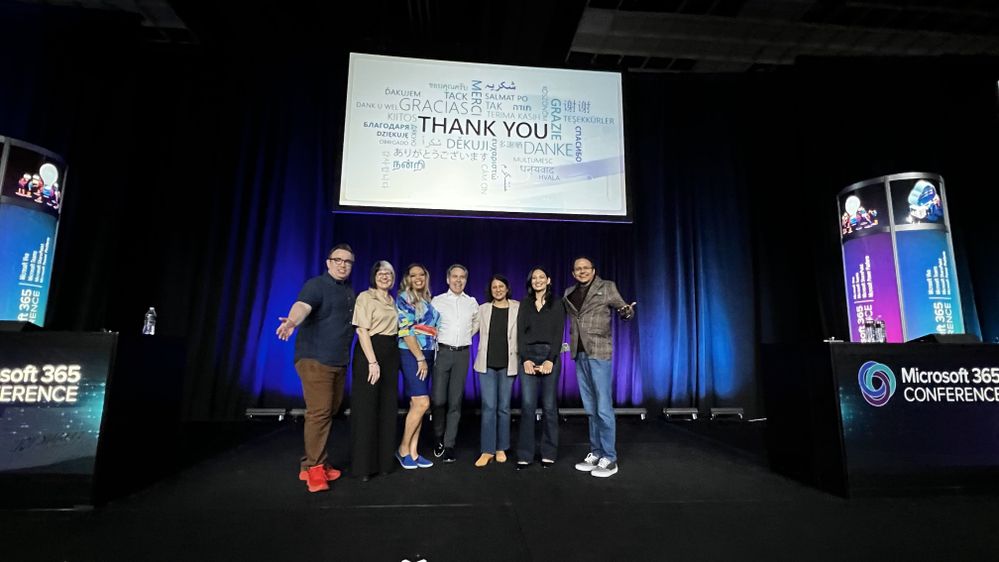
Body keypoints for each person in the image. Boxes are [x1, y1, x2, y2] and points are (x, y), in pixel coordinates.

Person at [275, 244, 356, 493]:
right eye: (338, 260)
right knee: (319, 413)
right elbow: (302, 306)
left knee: (327, 411)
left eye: (348, 262)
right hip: (314, 359)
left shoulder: (348, 291)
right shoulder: (316, 285)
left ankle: (309, 463)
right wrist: (292, 321)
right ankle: (315, 469)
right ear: (328, 262)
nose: (343, 265)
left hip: (337, 361)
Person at [564, 256, 636, 478]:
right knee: (590, 407)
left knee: (603, 407)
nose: (582, 271)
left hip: (599, 352)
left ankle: (610, 458)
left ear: (593, 270)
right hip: (579, 353)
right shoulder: (568, 293)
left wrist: (626, 311)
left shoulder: (607, 287)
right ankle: (596, 452)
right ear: (574, 273)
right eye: (578, 269)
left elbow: (624, 309)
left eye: (586, 268)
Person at [350, 260, 402, 481]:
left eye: (389, 273)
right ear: (374, 275)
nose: (385, 276)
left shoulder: (394, 300)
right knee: (367, 408)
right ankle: (363, 467)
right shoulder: (365, 297)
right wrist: (373, 362)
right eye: (381, 272)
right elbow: (362, 331)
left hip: (391, 353)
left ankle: (384, 463)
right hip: (370, 352)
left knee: (388, 408)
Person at [515, 267, 565, 470]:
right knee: (527, 406)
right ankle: (525, 454)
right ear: (530, 281)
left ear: (548, 280)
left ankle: (549, 453)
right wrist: (525, 359)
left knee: (549, 407)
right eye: (534, 277)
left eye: (541, 277)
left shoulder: (557, 303)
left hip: (549, 356)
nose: (537, 280)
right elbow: (520, 332)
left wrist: (550, 360)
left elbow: (558, 333)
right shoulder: (525, 303)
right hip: (528, 356)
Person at [430, 264, 480, 463]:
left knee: (455, 401)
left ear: (466, 280)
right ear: (447, 279)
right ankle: (438, 437)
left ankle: (449, 444)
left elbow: (476, 322)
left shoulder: (472, 302)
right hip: (442, 352)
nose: (458, 280)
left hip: (462, 354)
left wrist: (467, 336)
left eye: (462, 277)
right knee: (439, 400)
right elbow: (429, 324)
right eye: (455, 277)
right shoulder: (438, 301)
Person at [395, 263, 440, 469]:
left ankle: (413, 452)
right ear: (408, 278)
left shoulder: (427, 298)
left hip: (428, 353)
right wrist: (420, 358)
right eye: (414, 275)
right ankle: (403, 449)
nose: (418, 278)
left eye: (422, 274)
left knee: (417, 406)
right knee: (422, 403)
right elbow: (406, 330)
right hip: (413, 354)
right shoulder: (404, 298)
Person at [471, 275, 520, 467]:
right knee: (489, 407)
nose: (498, 289)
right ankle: (487, 450)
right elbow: (471, 330)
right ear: (490, 290)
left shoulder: (518, 307)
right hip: (487, 365)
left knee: (504, 408)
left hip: (509, 364)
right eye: (494, 287)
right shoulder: (483, 309)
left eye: (501, 286)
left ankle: (501, 447)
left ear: (507, 289)